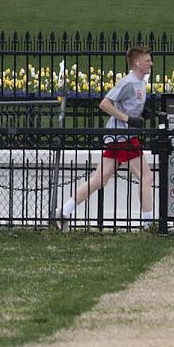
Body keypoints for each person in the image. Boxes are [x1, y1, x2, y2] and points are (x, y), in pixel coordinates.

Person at [61, 45, 155, 226]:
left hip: (121, 136)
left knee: (99, 179)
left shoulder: (140, 82)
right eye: (147, 60)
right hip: (122, 137)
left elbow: (127, 105)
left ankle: (64, 211)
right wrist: (128, 119)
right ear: (137, 63)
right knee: (146, 177)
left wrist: (141, 115)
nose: (151, 63)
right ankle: (149, 223)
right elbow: (105, 104)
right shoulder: (128, 82)